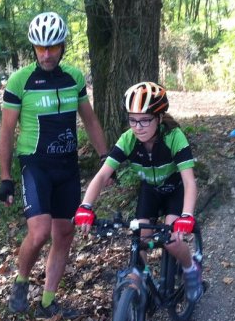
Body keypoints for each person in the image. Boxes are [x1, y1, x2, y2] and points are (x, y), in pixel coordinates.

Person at [0, 11, 109, 318]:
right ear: (33, 48)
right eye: (40, 48)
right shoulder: (21, 81)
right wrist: (5, 177)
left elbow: (89, 119)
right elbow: (6, 132)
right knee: (39, 233)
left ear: (62, 46)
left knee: (64, 234)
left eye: (52, 47)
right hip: (36, 165)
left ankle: (48, 302)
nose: (46, 54)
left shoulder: (73, 78)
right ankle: (21, 281)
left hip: (67, 166)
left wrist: (104, 158)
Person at [74, 81, 203, 302]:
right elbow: (103, 175)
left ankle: (190, 269)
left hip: (175, 191)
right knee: (140, 239)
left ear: (160, 118)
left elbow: (189, 182)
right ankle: (140, 284)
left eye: (145, 120)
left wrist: (187, 216)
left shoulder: (174, 137)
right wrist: (85, 206)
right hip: (150, 191)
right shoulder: (128, 139)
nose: (138, 126)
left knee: (172, 240)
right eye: (132, 120)